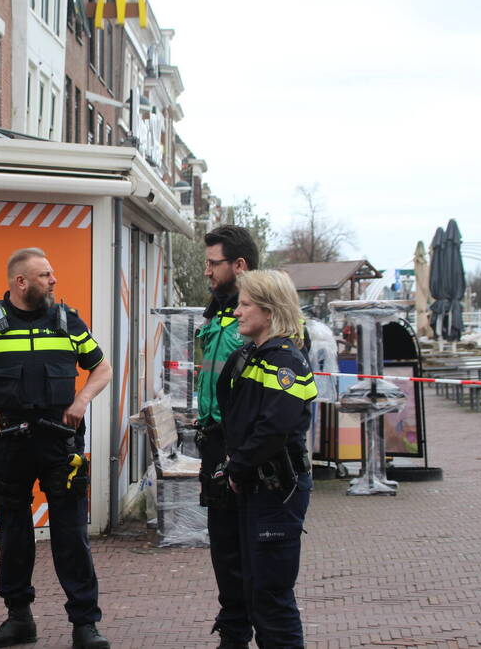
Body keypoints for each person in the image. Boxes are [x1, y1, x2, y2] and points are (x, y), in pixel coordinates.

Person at [0, 248, 113, 649]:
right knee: (14, 536)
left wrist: (81, 400)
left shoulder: (67, 320)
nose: (53, 281)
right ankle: (19, 619)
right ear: (20, 282)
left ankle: (84, 625)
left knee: (71, 535)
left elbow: (101, 368)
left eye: (52, 274)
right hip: (8, 443)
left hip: (60, 441)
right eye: (45, 275)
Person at [212, 270, 317, 649]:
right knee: (255, 591)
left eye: (245, 304)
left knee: (271, 597)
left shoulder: (285, 361)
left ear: (270, 311)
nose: (237, 312)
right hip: (254, 487)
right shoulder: (252, 356)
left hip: (276, 490)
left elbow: (274, 428)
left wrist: (238, 466)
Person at [194, 225, 258, 647]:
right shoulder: (213, 311)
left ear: (239, 265)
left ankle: (255, 626)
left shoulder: (264, 314)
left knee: (251, 544)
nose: (206, 272)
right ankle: (233, 629)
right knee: (223, 543)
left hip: (246, 445)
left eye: (213, 263)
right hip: (214, 441)